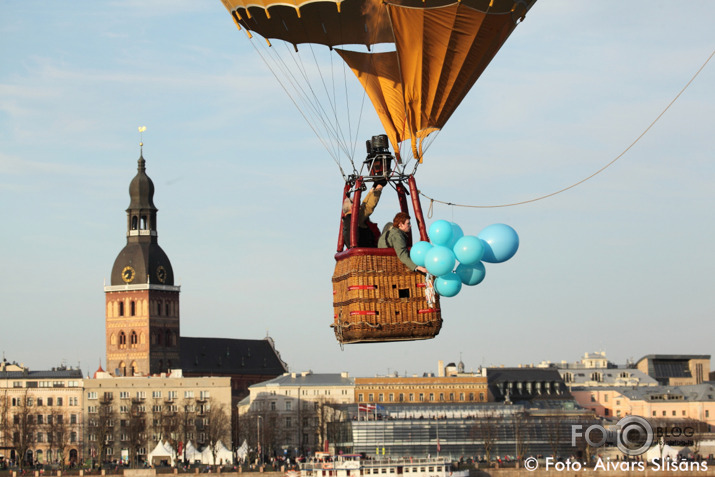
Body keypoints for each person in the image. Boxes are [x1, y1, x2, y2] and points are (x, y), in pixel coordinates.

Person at [342, 183, 383, 248]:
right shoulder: (355, 218)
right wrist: (379, 188)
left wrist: (373, 188)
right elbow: (368, 206)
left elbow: (364, 205)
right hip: (367, 248)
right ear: (352, 207)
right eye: (357, 206)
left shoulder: (347, 219)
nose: (359, 207)